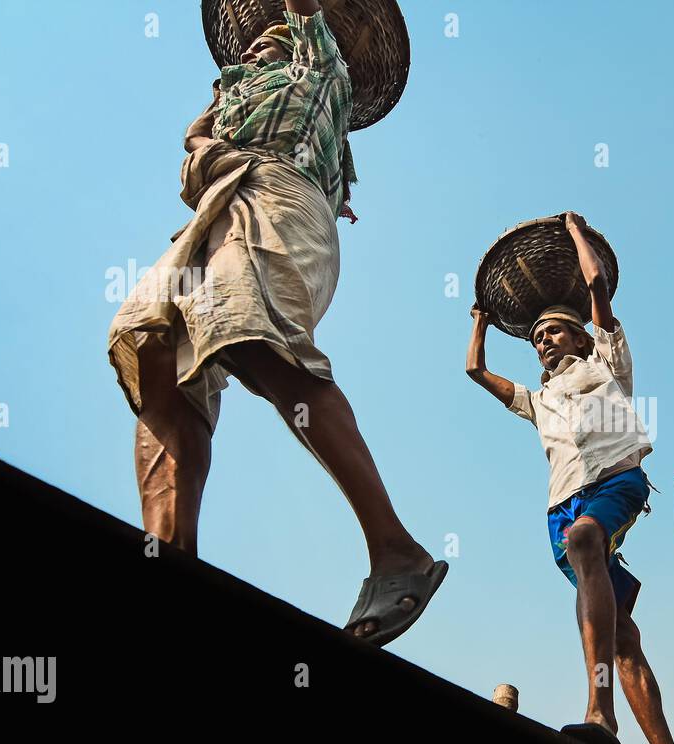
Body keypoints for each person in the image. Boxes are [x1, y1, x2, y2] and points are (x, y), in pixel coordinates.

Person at [107, 0, 445, 646]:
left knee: (254, 338)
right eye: (252, 47)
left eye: (275, 40)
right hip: (217, 212)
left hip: (279, 198)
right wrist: (214, 109)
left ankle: (396, 549)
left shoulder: (321, 68)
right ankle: (170, 555)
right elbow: (195, 140)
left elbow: (303, 15)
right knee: (154, 345)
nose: (260, 48)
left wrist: (295, 22)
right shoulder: (232, 108)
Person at [465, 212, 674, 744]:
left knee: (588, 538)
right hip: (560, 505)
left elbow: (595, 287)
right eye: (538, 337)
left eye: (555, 332)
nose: (544, 342)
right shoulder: (537, 400)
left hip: (615, 480)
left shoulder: (606, 362)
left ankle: (600, 714)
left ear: (581, 335)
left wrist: (573, 231)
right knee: (624, 642)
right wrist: (480, 322)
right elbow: (474, 370)